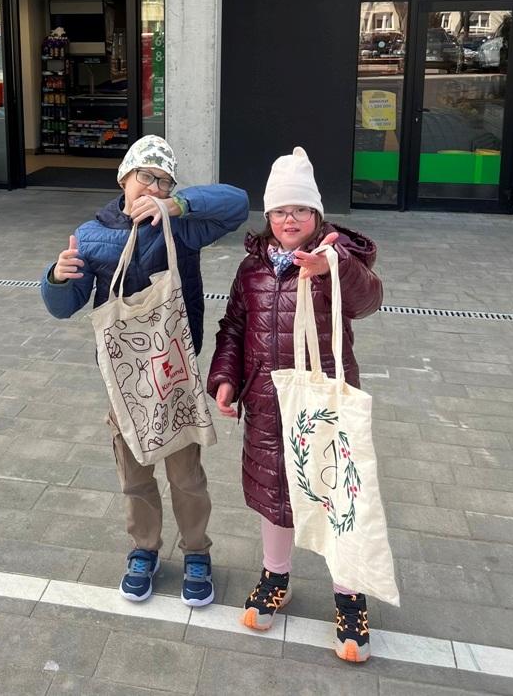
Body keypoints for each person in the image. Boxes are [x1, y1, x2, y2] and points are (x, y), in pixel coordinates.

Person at [41, 135, 249, 607]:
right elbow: (64, 306)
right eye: (146, 177)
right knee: (134, 474)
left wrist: (179, 205)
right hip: (124, 381)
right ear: (124, 178)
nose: (153, 187)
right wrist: (57, 278)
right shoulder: (91, 234)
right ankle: (144, 549)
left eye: (164, 181)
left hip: (174, 376)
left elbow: (237, 203)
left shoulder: (183, 227)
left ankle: (197, 551)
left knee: (186, 475)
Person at [207, 146, 383, 662]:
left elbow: (368, 301)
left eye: (300, 210)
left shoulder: (336, 258)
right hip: (267, 400)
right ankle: (275, 576)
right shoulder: (252, 269)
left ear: (316, 214)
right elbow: (234, 326)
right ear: (269, 216)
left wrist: (334, 269)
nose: (290, 220)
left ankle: (349, 595)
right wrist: (225, 379)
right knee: (275, 492)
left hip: (325, 400)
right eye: (281, 211)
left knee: (337, 499)